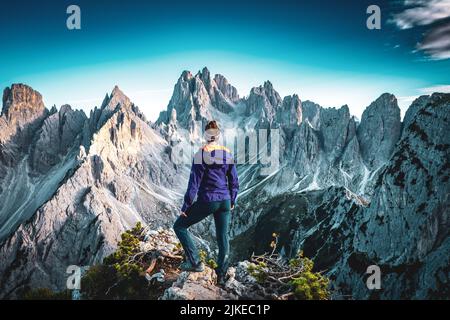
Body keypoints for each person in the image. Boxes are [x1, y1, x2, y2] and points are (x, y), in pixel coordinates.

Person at [173, 120, 239, 285]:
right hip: (225, 200)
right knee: (223, 237)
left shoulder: (201, 154)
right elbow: (234, 180)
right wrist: (233, 199)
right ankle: (221, 274)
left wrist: (186, 206)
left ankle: (195, 263)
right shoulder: (227, 153)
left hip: (208, 200)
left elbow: (193, 184)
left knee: (179, 226)